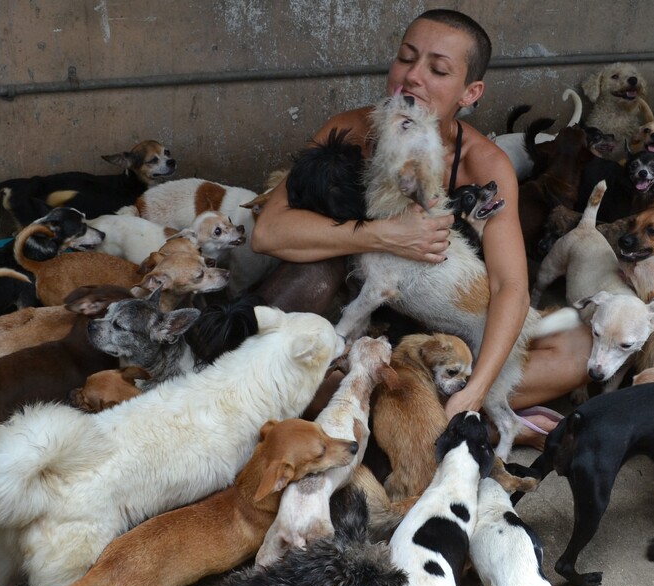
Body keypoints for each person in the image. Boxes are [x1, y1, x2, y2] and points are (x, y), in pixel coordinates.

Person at [251, 9, 591, 446]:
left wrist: (476, 389)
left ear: (470, 92)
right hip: (354, 312)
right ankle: (425, 421)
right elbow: (269, 232)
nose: (412, 76)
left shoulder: (483, 164)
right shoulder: (351, 131)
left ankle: (429, 411)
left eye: (438, 69)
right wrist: (380, 235)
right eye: (405, 58)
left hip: (436, 333)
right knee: (314, 271)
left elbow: (511, 286)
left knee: (577, 350)